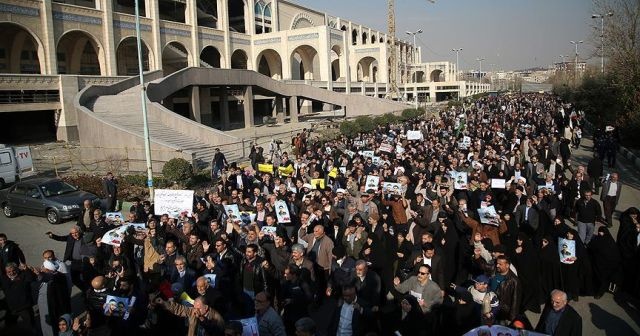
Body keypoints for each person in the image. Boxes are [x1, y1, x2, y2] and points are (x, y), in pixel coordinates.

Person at [154, 295, 225, 336]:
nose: (195, 310)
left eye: (198, 308)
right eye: (194, 307)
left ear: (206, 307)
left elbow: (215, 332)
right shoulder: (194, 311)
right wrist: (164, 303)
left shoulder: (217, 318)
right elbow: (179, 309)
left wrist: (201, 318)